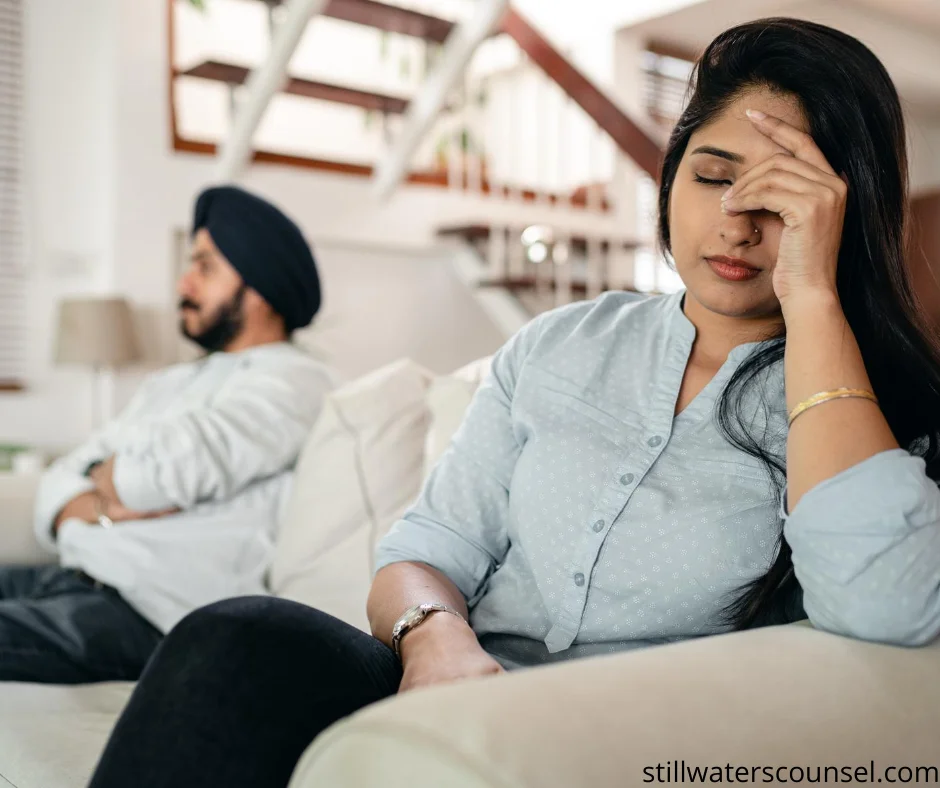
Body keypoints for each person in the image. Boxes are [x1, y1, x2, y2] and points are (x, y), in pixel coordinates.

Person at [89, 18, 940, 787]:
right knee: (235, 637)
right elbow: (427, 548)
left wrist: (815, 299)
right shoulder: (559, 343)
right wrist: (434, 640)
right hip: (445, 685)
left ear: (841, 212)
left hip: (620, 740)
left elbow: (886, 609)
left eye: (782, 199)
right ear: (672, 174)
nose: (736, 222)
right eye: (712, 176)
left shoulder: (879, 410)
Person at [0, 185, 332, 684]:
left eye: (205, 267)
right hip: (68, 580)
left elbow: (150, 477)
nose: (184, 282)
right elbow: (60, 479)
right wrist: (104, 502)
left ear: (262, 286)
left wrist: (112, 480)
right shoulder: (173, 381)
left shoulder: (295, 380)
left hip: (145, 613)